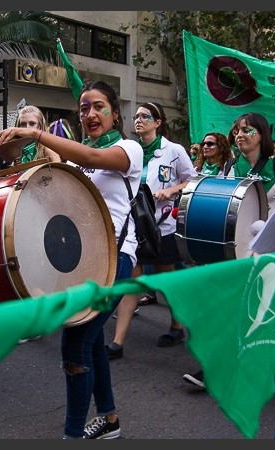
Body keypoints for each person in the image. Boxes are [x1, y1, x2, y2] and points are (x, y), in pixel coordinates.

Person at [0, 80, 142, 439]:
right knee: (90, 342)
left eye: (98, 106)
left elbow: (90, 157)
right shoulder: (78, 158)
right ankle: (109, 420)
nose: (89, 114)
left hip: (116, 259)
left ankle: (72, 434)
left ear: (114, 112)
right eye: (83, 108)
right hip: (81, 264)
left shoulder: (128, 148)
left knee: (75, 343)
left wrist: (35, 133)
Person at [106, 101, 196, 360]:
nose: (139, 120)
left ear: (158, 123)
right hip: (134, 225)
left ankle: (177, 326)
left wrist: (171, 190)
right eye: (136, 116)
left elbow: (192, 179)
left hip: (162, 226)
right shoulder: (130, 150)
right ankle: (118, 341)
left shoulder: (174, 150)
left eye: (145, 116)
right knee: (133, 279)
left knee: (166, 278)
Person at [224, 112, 275, 217]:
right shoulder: (229, 167)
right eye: (237, 132)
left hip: (271, 232)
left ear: (261, 135)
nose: (239, 135)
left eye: (246, 130)